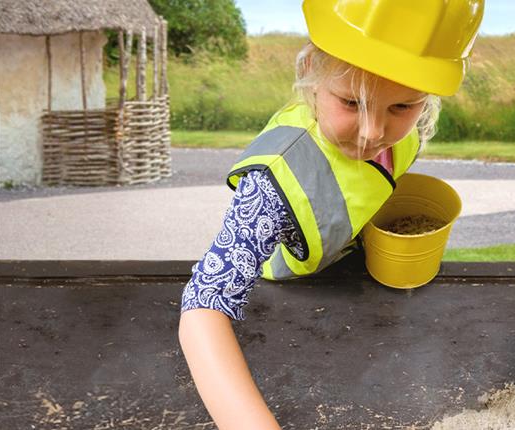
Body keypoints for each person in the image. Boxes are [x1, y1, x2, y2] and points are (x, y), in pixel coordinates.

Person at [178, 1, 484, 428]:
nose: (372, 133)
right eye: (351, 102)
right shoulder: (272, 185)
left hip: (347, 265)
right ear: (311, 73)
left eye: (403, 108)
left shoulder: (401, 134)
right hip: (290, 294)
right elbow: (202, 308)